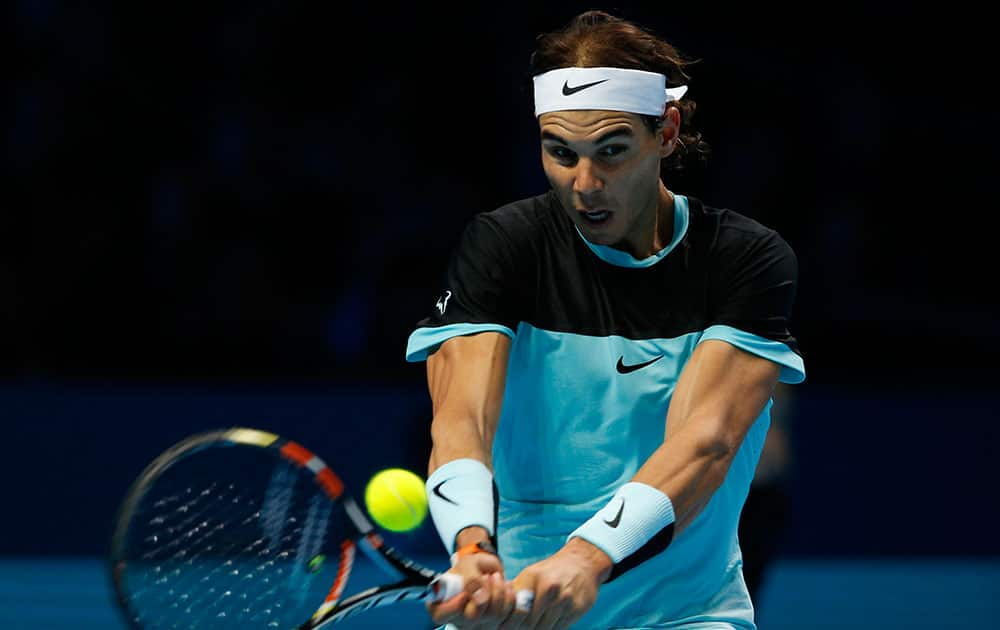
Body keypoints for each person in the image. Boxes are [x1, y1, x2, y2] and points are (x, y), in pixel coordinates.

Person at [404, 10, 805, 629]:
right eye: (560, 153)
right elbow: (460, 422)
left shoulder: (742, 259)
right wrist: (471, 545)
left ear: (666, 132)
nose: (584, 184)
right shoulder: (504, 246)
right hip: (514, 612)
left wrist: (586, 559)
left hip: (684, 616)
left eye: (612, 151)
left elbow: (704, 442)